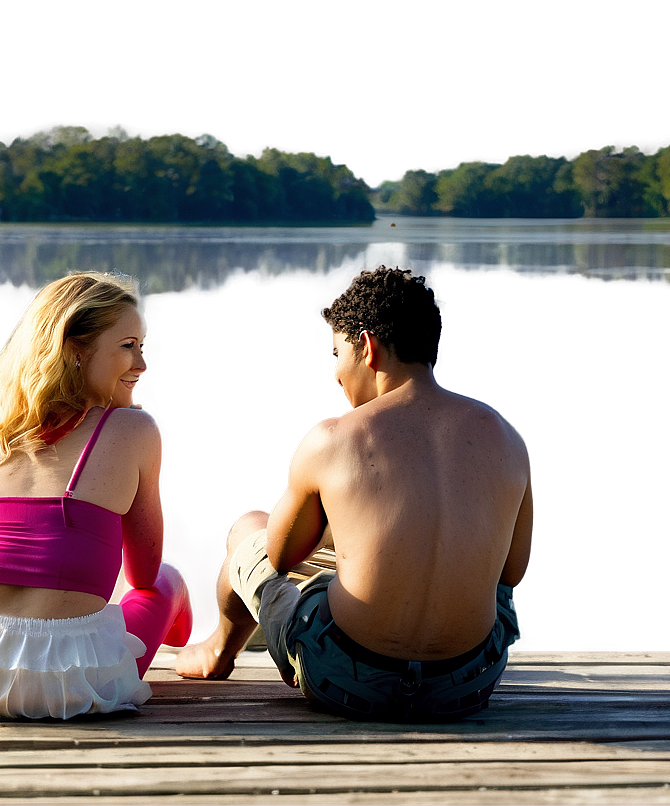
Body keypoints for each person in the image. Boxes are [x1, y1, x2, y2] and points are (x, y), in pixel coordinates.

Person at [176, 265, 533, 722]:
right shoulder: (507, 439)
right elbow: (513, 571)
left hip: (344, 679)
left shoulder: (333, 439)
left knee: (248, 530)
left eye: (335, 353)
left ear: (366, 347)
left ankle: (219, 653)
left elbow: (281, 556)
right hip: (467, 683)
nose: (335, 375)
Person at [0, 271, 192, 719]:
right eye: (127, 346)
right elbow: (142, 574)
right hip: (65, 685)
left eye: (143, 346)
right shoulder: (134, 430)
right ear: (75, 350)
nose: (142, 364)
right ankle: (192, 648)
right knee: (167, 583)